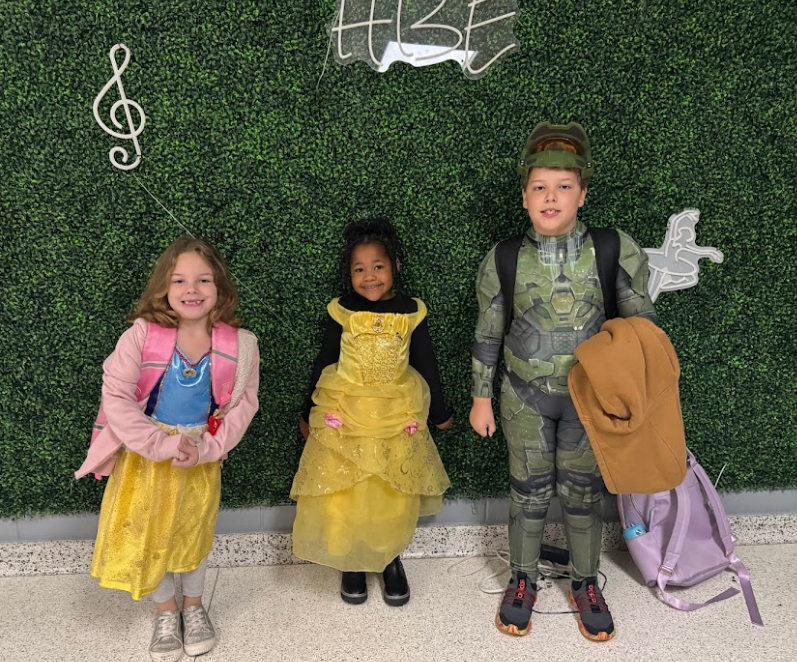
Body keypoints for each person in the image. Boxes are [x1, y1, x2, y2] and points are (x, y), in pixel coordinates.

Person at [469, 122, 656, 641]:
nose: (551, 197)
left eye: (564, 186)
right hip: (523, 398)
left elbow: (643, 330)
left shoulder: (614, 248)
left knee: (583, 494)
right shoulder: (503, 258)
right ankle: (522, 579)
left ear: (583, 194)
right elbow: (487, 333)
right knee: (527, 493)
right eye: (539, 187)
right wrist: (480, 398)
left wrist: (638, 395)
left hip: (590, 402)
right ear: (524, 196)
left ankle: (585, 582)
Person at [76, 235, 260, 661]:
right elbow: (116, 397)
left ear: (220, 287)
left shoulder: (241, 346)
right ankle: (165, 610)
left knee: (193, 531)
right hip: (144, 459)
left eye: (203, 280)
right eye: (179, 280)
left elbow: (243, 406)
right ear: (163, 286)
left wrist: (208, 449)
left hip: (199, 457)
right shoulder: (141, 335)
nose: (191, 289)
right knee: (147, 533)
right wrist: (159, 444)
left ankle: (193, 607)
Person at [291, 217, 453, 607]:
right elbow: (325, 360)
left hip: (395, 416)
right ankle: (351, 559)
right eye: (359, 269)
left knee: (389, 491)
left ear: (395, 265)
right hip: (345, 415)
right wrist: (308, 411)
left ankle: (389, 557)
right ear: (349, 274)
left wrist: (440, 411)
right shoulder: (343, 311)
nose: (369, 277)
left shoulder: (411, 311)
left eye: (378, 266)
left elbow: (425, 362)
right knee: (346, 492)